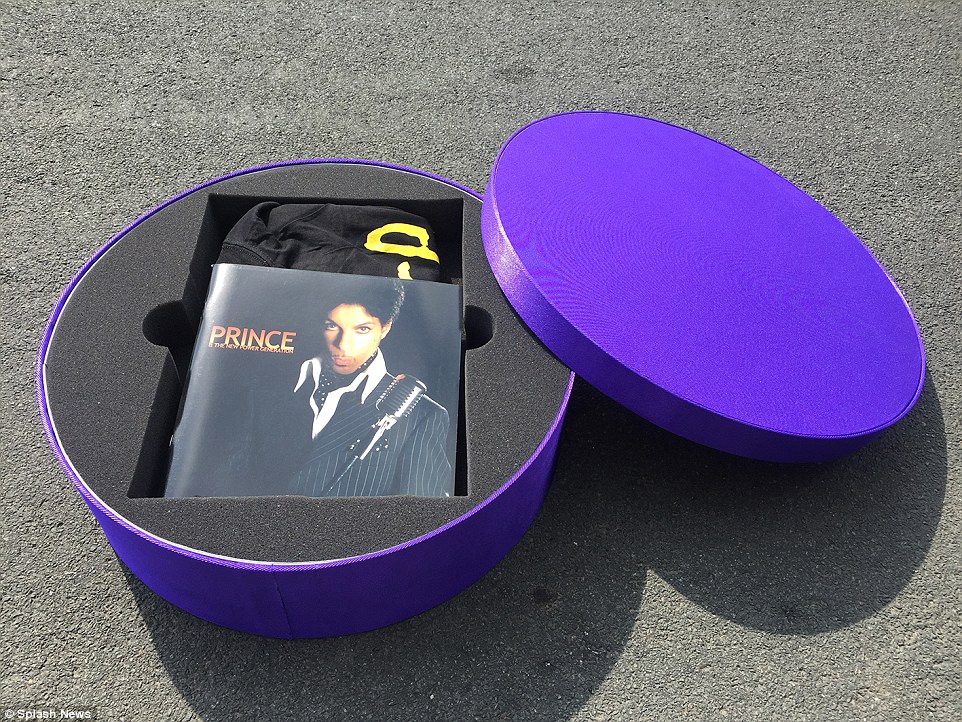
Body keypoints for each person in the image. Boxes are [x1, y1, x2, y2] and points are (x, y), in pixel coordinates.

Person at [287, 278, 453, 497]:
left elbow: (423, 511)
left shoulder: (422, 416)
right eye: (332, 326)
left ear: (385, 328)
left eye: (362, 329)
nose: (343, 345)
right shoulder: (268, 387)